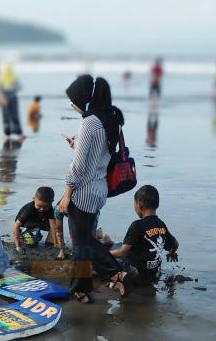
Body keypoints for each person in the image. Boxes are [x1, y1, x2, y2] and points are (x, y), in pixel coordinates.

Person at [58, 74, 123, 303]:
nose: (72, 105)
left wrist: (66, 195)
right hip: (99, 189)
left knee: (82, 245)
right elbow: (98, 155)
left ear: (84, 100)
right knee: (85, 242)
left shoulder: (88, 123)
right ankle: (84, 287)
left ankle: (114, 272)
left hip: (83, 192)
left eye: (73, 100)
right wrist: (77, 145)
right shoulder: (109, 119)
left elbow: (77, 166)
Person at [104, 185, 179, 295]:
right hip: (152, 275)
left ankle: (122, 278)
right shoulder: (161, 224)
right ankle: (110, 242)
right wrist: (172, 253)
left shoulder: (137, 226)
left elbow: (123, 252)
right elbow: (175, 244)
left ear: (139, 205)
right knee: (124, 245)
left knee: (109, 257)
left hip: (135, 273)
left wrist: (103, 254)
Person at [13, 186, 65, 257]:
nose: (42, 209)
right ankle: (24, 239)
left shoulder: (49, 208)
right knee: (32, 242)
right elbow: (16, 226)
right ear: (34, 199)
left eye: (45, 207)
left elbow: (52, 226)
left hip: (40, 221)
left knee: (55, 228)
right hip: (27, 224)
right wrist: (17, 246)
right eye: (39, 206)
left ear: (51, 202)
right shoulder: (29, 209)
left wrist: (55, 243)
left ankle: (49, 243)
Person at [0, 62, 24, 140]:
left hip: (4, 97)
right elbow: (19, 87)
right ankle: (19, 134)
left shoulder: (2, 76)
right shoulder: (14, 77)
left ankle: (7, 134)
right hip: (13, 97)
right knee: (15, 116)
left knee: (5, 117)